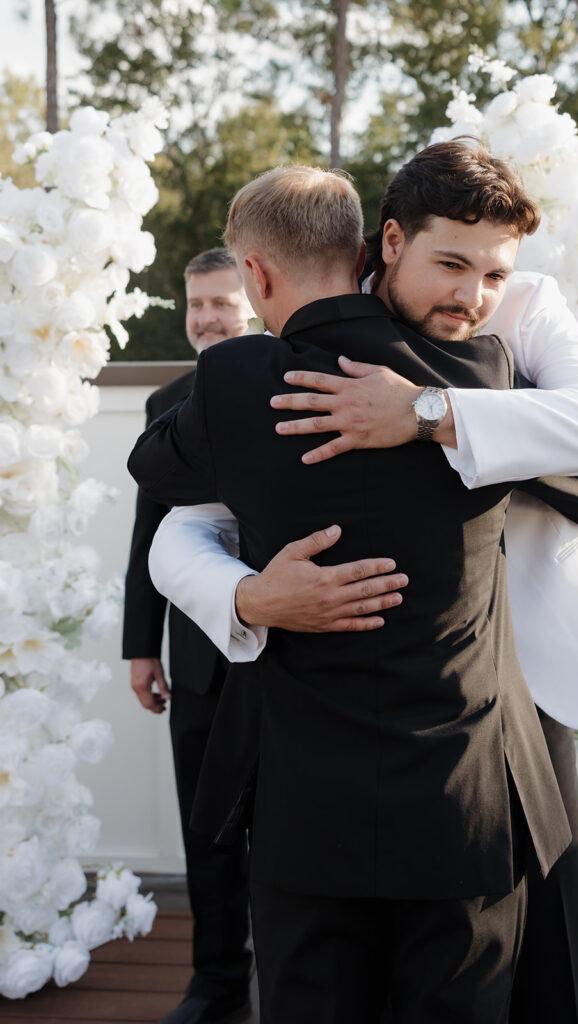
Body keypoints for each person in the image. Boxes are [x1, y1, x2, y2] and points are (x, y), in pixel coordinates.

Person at [127, 153, 578, 1023]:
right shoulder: (480, 365)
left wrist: (429, 416)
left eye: (491, 275)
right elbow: (182, 528)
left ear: (254, 273)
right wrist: (249, 596)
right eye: (450, 266)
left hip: (482, 736)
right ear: (383, 247)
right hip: (428, 789)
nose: (472, 295)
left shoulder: (498, 348)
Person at [122, 248, 259, 1024]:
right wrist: (141, 644)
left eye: (222, 302)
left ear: (256, 302)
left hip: (285, 655)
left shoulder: (291, 381)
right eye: (196, 304)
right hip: (197, 658)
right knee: (205, 832)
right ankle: (215, 984)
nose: (208, 316)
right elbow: (148, 535)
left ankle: (287, 977)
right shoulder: (166, 403)